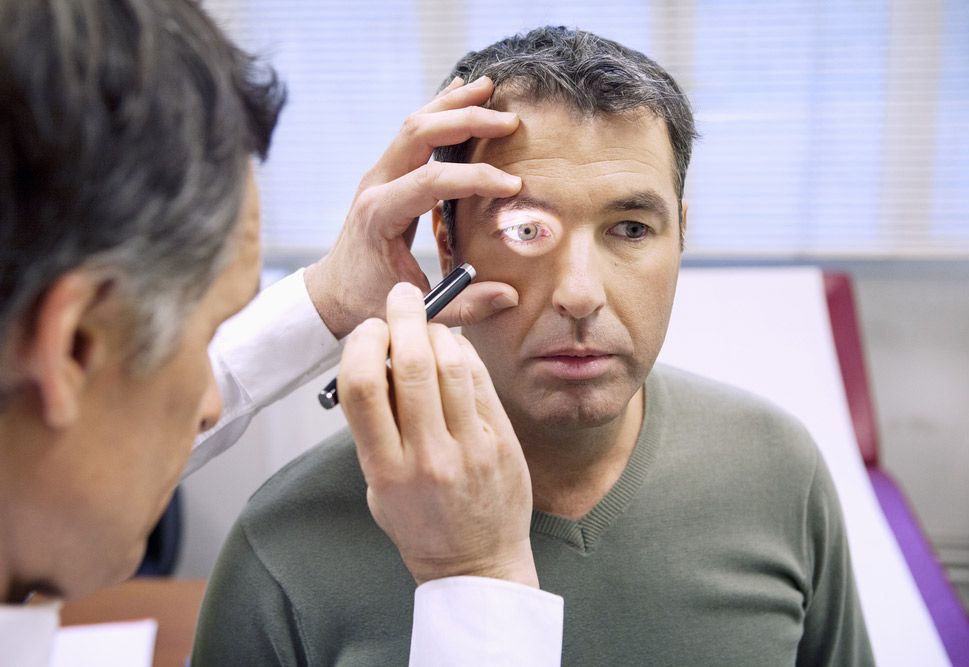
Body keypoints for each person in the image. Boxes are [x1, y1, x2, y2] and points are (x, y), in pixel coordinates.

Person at [193, 26, 876, 665]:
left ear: (682, 236)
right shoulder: (285, 543)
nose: (580, 293)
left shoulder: (781, 471)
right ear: (445, 239)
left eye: (632, 228)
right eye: (524, 229)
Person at [0, 1, 562, 665]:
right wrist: (483, 587)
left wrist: (329, 298)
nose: (211, 404)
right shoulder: (282, 551)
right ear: (72, 345)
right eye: (206, 326)